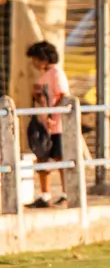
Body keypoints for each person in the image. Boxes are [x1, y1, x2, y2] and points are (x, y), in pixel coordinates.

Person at [26, 41, 70, 208]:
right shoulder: (44, 75)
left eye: (35, 59)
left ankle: (66, 194)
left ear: (43, 59)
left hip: (57, 125)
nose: (34, 63)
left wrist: (52, 115)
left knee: (60, 159)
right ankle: (45, 195)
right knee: (42, 157)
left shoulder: (57, 73)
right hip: (46, 126)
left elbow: (63, 96)